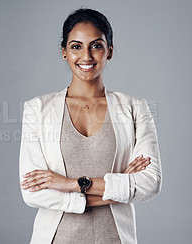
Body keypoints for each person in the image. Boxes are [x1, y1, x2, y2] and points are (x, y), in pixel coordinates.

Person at [19, 8, 162, 244]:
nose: (86, 56)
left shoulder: (135, 107)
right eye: (76, 46)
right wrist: (119, 187)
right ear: (64, 52)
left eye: (96, 45)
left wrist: (69, 184)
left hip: (115, 238)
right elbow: (32, 191)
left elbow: (150, 183)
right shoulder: (37, 109)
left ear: (110, 51)